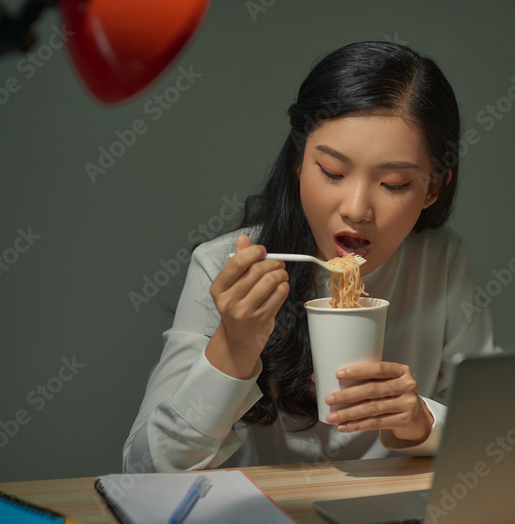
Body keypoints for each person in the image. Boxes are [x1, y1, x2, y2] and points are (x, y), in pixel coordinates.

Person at [123, 41, 496, 472]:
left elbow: (491, 430)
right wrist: (234, 344)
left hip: (379, 521)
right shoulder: (225, 266)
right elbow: (144, 470)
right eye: (333, 173)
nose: (357, 209)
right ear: (299, 160)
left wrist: (419, 420)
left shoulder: (441, 262)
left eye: (394, 183)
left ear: (432, 188)